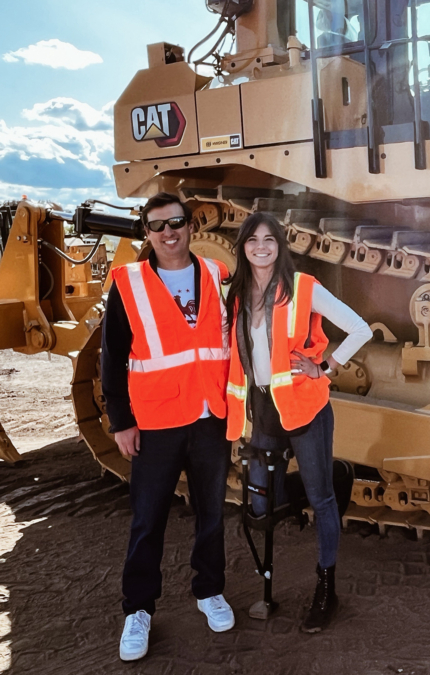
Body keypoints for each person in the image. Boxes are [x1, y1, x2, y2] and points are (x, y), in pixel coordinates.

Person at [101, 192, 235, 662]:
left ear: (191, 226)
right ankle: (138, 609)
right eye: (158, 225)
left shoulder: (217, 275)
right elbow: (113, 357)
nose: (169, 232)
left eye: (176, 222)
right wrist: (121, 421)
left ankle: (209, 590)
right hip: (156, 422)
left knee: (212, 513)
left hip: (209, 418)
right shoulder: (130, 283)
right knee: (147, 519)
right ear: (147, 233)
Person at [224, 212, 372, 633]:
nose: (261, 247)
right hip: (264, 410)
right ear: (244, 247)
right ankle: (331, 476)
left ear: (280, 245)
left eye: (270, 239)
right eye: (253, 240)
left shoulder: (303, 287)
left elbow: (360, 329)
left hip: (306, 408)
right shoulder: (235, 294)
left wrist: (324, 367)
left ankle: (327, 588)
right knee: (258, 503)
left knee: (320, 499)